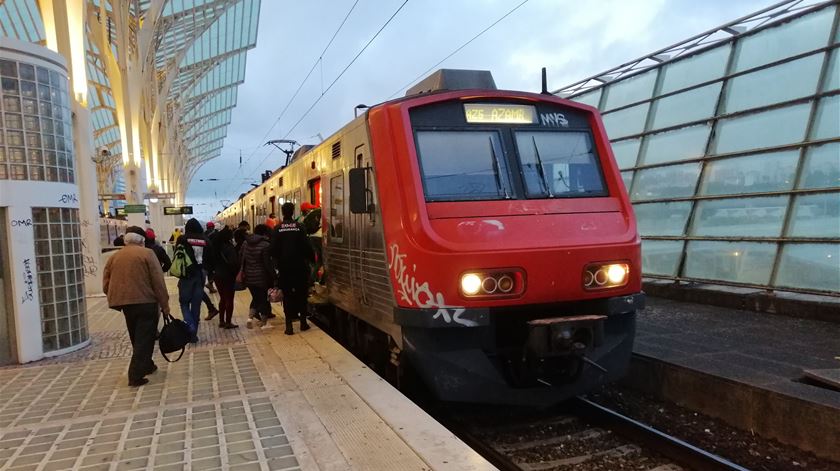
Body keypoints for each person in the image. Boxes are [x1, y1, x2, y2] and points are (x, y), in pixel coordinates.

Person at [102, 226, 169, 387]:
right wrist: (165, 304)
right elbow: (158, 281)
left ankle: (147, 364)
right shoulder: (147, 254)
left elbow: (106, 283)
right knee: (144, 338)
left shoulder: (114, 257)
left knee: (136, 337)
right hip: (146, 303)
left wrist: (115, 296)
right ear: (142, 240)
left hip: (126, 305)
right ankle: (135, 375)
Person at [272, 202, 315, 335]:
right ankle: (303, 323)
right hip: (300, 267)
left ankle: (289, 326)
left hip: (284, 268)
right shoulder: (300, 227)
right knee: (301, 295)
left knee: (287, 296)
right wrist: (312, 260)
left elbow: (273, 249)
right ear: (293, 211)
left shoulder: (278, 228)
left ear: (283, 212)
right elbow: (307, 247)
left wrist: (277, 264)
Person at [175, 218, 212, 343]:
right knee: (196, 306)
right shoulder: (205, 240)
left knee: (184, 303)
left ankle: (190, 327)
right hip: (200, 275)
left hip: (186, 276)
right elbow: (210, 257)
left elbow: (177, 255)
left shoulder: (182, 239)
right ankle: (193, 335)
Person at [241, 224, 275, 329]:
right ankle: (264, 323)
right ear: (265, 233)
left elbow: (241, 258)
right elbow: (267, 263)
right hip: (261, 276)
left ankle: (250, 318)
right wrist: (273, 275)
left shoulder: (246, 243)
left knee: (256, 298)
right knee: (264, 299)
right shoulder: (265, 244)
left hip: (249, 276)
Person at [210, 227, 239, 329]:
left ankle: (221, 321)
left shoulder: (216, 247)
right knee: (229, 299)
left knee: (222, 298)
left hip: (217, 275)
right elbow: (234, 262)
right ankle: (228, 322)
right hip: (228, 276)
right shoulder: (229, 247)